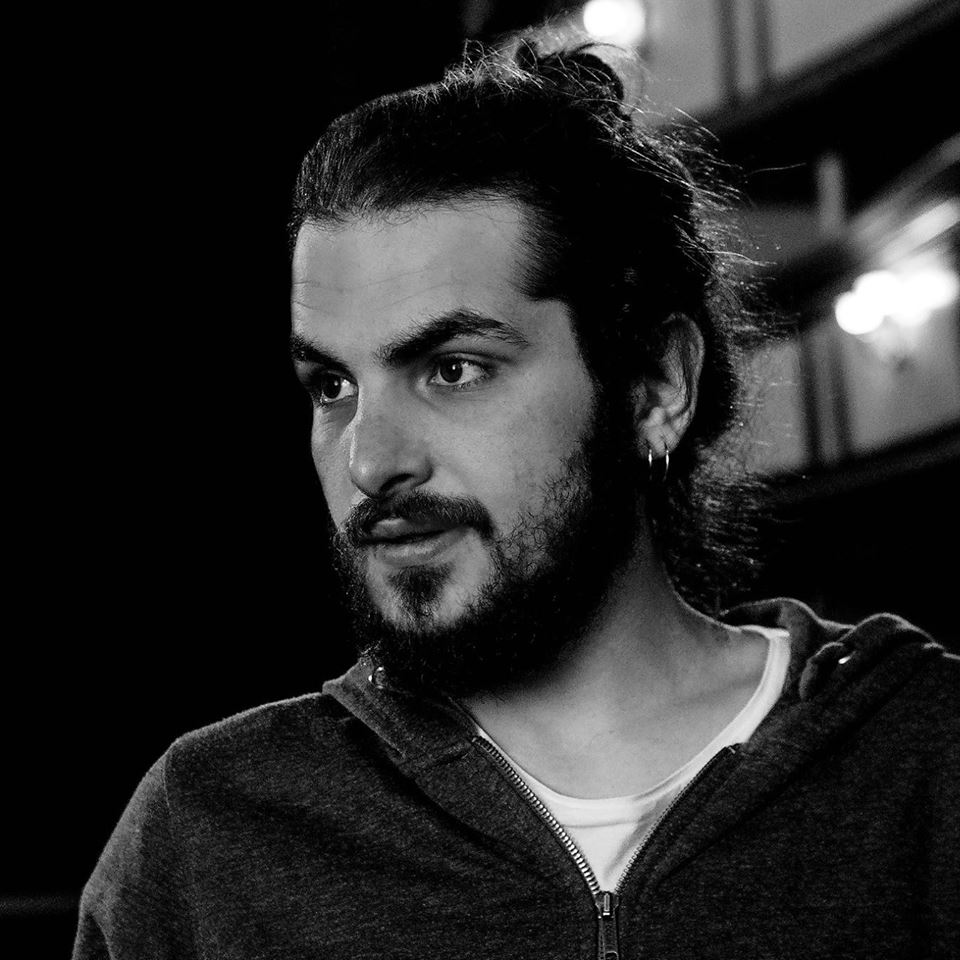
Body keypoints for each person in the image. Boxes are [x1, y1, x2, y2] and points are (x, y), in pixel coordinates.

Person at [74, 35, 958, 960]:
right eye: (333, 386)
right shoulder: (209, 837)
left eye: (453, 369)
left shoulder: (928, 767)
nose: (370, 461)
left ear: (656, 385)